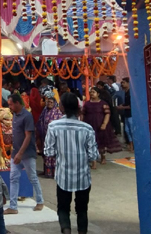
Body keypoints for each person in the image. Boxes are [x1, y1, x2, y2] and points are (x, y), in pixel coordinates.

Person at [44, 93, 100, 234]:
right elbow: (93, 155)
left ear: (61, 107)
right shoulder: (87, 128)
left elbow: (48, 152)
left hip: (63, 176)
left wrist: (61, 153)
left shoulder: (53, 126)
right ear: (77, 107)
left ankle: (66, 230)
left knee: (63, 208)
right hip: (83, 177)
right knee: (82, 209)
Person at [4, 93, 44, 214]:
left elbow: (28, 136)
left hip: (26, 153)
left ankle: (40, 201)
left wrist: (20, 153)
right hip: (16, 152)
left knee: (32, 177)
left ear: (17, 103)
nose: (9, 107)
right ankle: (13, 206)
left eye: (11, 104)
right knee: (13, 178)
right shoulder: (15, 115)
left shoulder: (27, 116)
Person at [82, 87, 121, 168]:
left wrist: (104, 124)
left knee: (102, 143)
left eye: (93, 92)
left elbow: (107, 114)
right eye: (91, 92)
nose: (91, 93)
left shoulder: (103, 103)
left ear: (98, 94)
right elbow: (83, 114)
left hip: (100, 126)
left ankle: (103, 157)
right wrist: (82, 124)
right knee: (91, 143)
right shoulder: (87, 104)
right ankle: (94, 162)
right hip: (90, 126)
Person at [37, 92, 63, 178]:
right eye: (48, 102)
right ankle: (46, 172)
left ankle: (54, 173)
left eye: (51, 102)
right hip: (44, 137)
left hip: (54, 139)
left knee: (53, 155)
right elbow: (40, 122)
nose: (49, 104)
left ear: (54, 103)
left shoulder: (58, 113)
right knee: (45, 154)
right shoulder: (44, 111)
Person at [117, 77, 133, 152]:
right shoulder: (126, 92)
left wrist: (122, 107)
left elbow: (131, 106)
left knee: (131, 131)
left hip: (131, 115)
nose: (122, 84)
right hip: (127, 114)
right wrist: (122, 105)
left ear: (128, 83)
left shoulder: (130, 93)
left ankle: (132, 146)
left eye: (124, 82)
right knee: (127, 130)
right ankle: (130, 145)